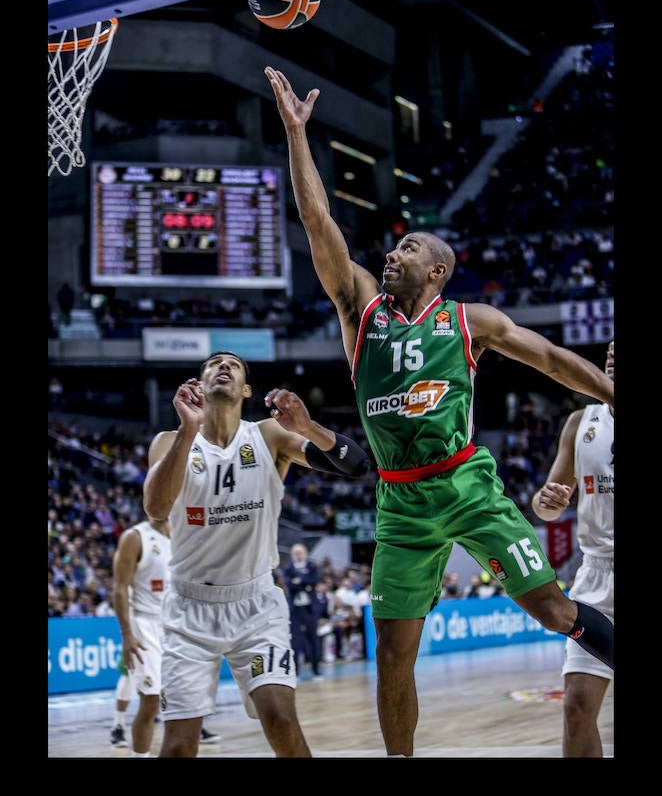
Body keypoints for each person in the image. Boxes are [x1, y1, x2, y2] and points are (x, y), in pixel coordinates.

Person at [265, 66, 615, 758]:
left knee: (552, 610)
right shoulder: (361, 312)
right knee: (393, 651)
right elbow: (317, 220)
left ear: (438, 271)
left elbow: (548, 358)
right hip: (398, 502)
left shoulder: (468, 321)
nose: (393, 254)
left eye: (409, 249)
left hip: (465, 484)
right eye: (393, 246)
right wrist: (296, 135)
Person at [142, 352, 370, 758]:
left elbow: (355, 465)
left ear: (246, 389)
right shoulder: (169, 441)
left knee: (282, 723)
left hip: (256, 606)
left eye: (233, 364)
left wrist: (308, 427)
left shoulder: (268, 435)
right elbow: (157, 508)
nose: (223, 367)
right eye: (213, 364)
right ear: (198, 385)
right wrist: (187, 431)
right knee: (178, 746)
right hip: (189, 610)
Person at [532, 339, 614, 758]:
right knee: (577, 709)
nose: (612, 358)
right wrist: (547, 501)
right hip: (598, 579)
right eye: (611, 353)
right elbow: (546, 504)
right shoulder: (580, 422)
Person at [111, 514, 172, 757]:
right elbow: (119, 587)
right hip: (143, 626)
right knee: (151, 700)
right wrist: (127, 634)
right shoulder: (134, 537)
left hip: (174, 626)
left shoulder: (180, 534)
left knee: (179, 703)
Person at [281, 543, 323, 679]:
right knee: (295, 642)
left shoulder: (311, 566)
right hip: (295, 610)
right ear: (292, 555)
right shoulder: (288, 568)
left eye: (301, 552)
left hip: (309, 609)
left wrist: (298, 581)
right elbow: (288, 584)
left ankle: (316, 670)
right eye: (296, 553)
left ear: (305, 553)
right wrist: (305, 584)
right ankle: (296, 672)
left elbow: (315, 580)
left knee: (313, 639)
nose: (298, 555)